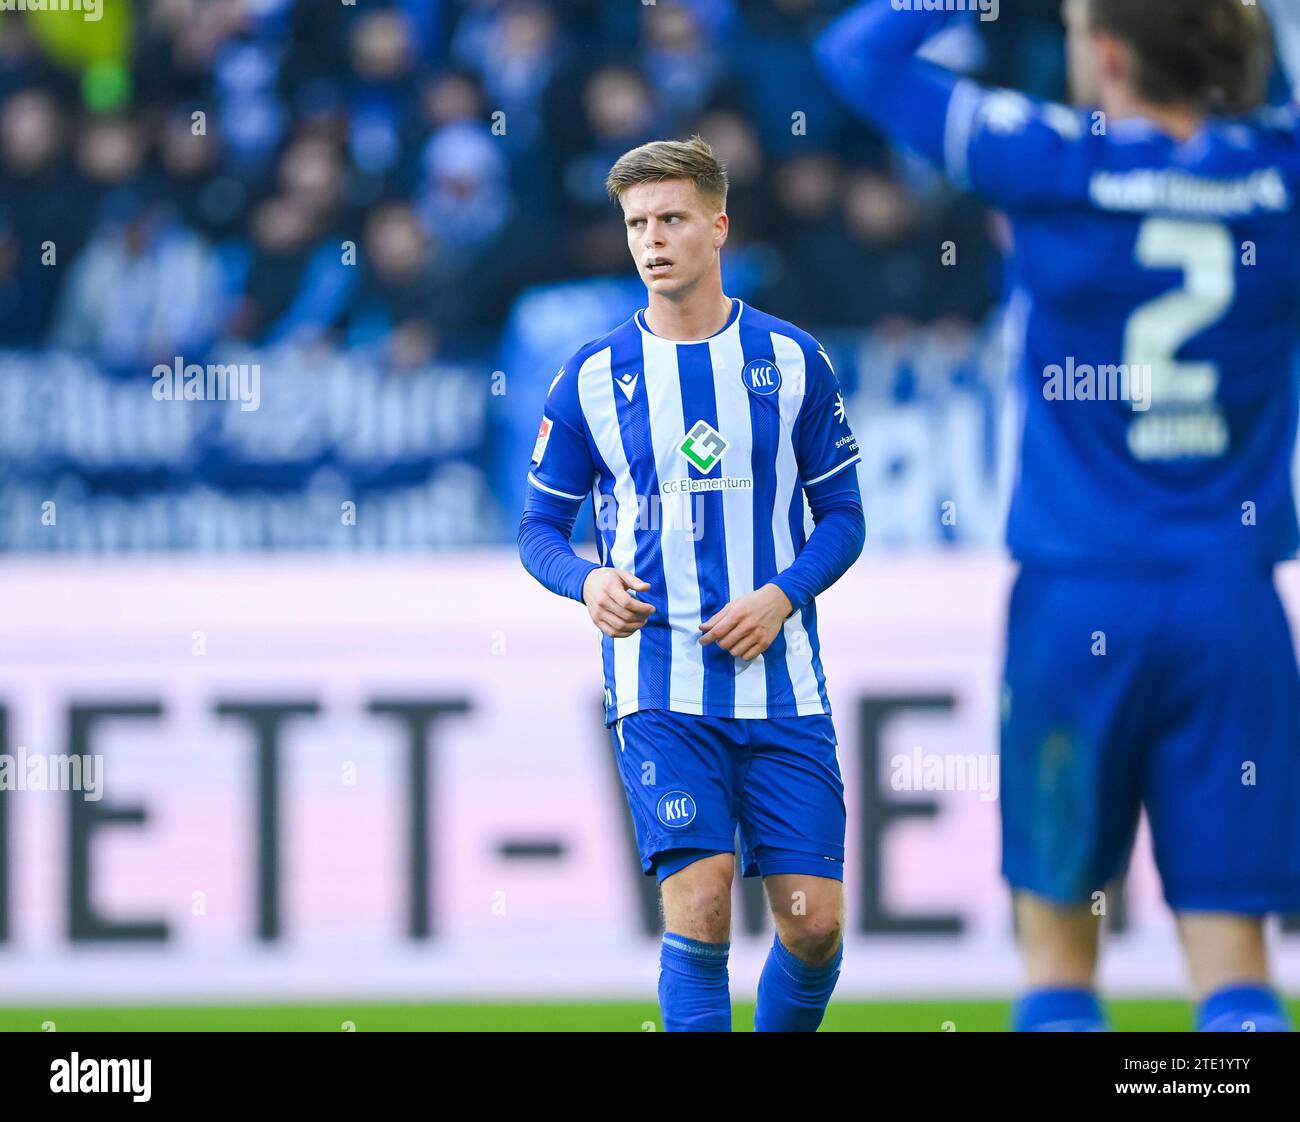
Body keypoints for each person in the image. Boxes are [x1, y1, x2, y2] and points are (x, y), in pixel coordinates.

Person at [817, 0, 1300, 1032]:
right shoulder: (1279, 173)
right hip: (1233, 602)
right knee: (1234, 963)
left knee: (1057, 963)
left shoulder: (1048, 159)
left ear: (1110, 53)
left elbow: (854, 52)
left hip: (1077, 596)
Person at [517, 136, 865, 1031]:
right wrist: (586, 580)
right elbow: (537, 530)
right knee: (702, 903)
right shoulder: (591, 378)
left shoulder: (793, 362)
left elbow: (846, 518)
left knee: (815, 926)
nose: (652, 240)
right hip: (659, 687)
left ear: (718, 226)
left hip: (783, 684)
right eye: (637, 223)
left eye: (671, 219)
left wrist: (782, 593)